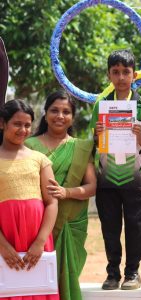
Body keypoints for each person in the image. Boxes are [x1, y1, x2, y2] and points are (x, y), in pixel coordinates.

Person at [90, 49, 141, 290]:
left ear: (134, 74)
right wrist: (97, 135)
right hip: (107, 179)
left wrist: (140, 137)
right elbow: (95, 144)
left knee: (137, 227)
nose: (120, 77)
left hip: (135, 179)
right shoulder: (101, 105)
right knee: (110, 227)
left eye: (125, 72)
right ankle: (112, 272)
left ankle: (133, 272)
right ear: (109, 75)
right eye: (115, 72)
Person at [26, 90, 96, 300]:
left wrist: (66, 192)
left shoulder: (82, 147)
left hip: (70, 223)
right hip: (36, 224)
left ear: (72, 118)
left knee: (66, 277)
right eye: (54, 110)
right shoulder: (28, 146)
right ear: (45, 113)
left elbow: (92, 187)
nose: (60, 116)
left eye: (66, 112)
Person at [0, 99, 59, 300]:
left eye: (27, 125)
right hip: (4, 236)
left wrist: (40, 242)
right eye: (17, 124)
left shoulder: (40, 159)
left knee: (38, 288)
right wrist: (3, 245)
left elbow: (51, 202)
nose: (23, 130)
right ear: (2, 123)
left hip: (37, 237)